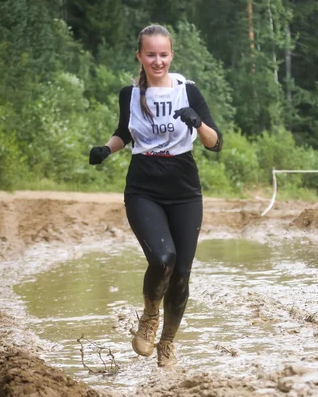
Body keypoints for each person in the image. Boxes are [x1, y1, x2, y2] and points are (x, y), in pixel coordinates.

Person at [88, 24, 222, 367]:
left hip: (184, 188)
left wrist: (197, 122)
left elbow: (215, 143)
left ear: (171, 55)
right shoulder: (129, 94)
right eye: (151, 54)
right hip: (143, 186)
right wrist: (107, 149)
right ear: (140, 56)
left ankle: (167, 343)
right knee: (163, 258)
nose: (157, 60)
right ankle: (149, 315)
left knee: (181, 274)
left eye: (163, 54)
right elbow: (124, 133)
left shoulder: (187, 91)